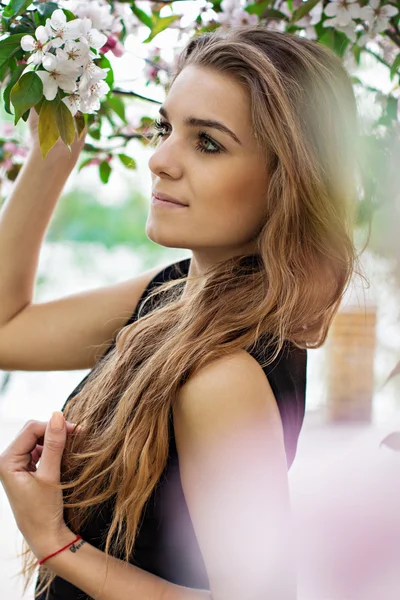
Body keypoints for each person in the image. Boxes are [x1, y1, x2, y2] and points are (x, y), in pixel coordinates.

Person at [0, 24, 364, 600]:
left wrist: (54, 542)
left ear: (286, 183)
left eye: (209, 143)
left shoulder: (222, 376)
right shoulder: (174, 297)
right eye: (166, 128)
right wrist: (54, 146)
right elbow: (5, 331)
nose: (159, 160)